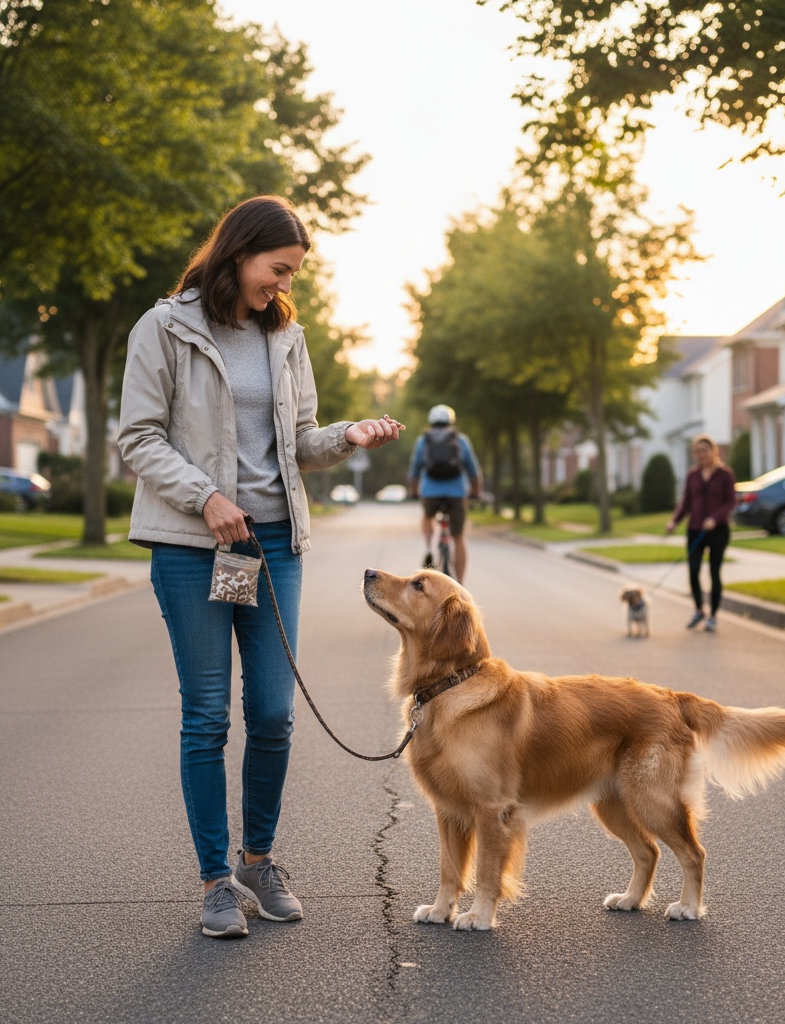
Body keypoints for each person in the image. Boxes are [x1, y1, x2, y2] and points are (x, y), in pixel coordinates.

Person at [117, 195, 403, 940]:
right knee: (207, 716)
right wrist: (206, 497)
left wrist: (347, 436)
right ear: (239, 253)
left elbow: (299, 441)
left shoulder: (285, 337)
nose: (283, 285)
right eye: (277, 269)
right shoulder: (164, 328)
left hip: (271, 545)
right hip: (194, 546)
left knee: (273, 712)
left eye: (292, 274)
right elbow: (139, 438)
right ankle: (215, 880)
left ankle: (258, 860)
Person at [665, 434, 737, 633]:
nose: (700, 455)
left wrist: (715, 518)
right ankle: (698, 610)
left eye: (704, 451)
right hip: (695, 529)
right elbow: (686, 503)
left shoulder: (725, 474)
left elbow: (731, 502)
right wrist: (674, 521)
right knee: (693, 570)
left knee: (714, 572)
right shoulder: (692, 475)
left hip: (718, 530)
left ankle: (713, 616)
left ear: (713, 451)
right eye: (697, 452)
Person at [406, 404, 481, 585]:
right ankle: (460, 585)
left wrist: (414, 491)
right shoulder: (461, 440)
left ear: (431, 422)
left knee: (427, 517)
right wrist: (475, 491)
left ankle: (428, 547)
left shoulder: (423, 441)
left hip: (430, 493)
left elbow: (414, 470)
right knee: (458, 537)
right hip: (456, 493)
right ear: (451, 421)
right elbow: (473, 470)